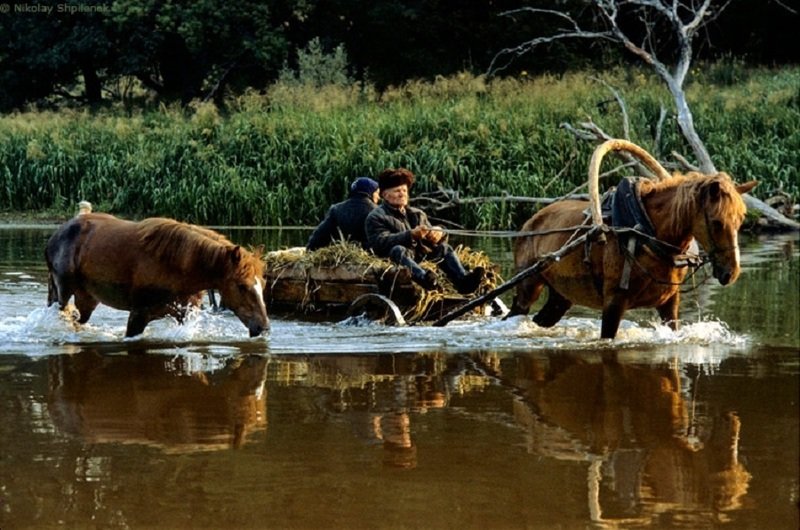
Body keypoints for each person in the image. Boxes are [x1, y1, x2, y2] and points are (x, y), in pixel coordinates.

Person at [364, 168, 484, 293]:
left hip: (420, 255)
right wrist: (410, 235)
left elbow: (434, 235)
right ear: (385, 195)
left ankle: (463, 280)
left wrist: (439, 232)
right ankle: (425, 279)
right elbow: (379, 242)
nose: (402, 194)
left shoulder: (417, 214)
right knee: (398, 250)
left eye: (404, 190)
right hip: (399, 258)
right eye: (397, 191)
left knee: (444, 248)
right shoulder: (376, 216)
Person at [307, 177, 380, 251]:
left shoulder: (336, 209)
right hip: (369, 257)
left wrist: (309, 250)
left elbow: (319, 236)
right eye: (377, 193)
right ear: (370, 192)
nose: (378, 197)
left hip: (340, 256)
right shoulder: (377, 212)